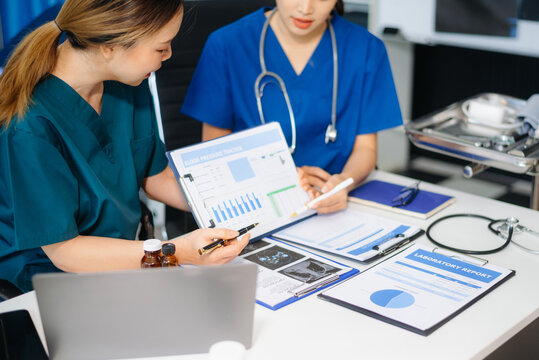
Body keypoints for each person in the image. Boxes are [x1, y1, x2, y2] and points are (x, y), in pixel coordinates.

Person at [0, 0, 249, 293]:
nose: (169, 55)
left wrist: (249, 198)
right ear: (110, 46)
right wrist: (175, 251)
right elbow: (66, 252)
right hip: (46, 284)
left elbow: (156, 177)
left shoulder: (125, 79)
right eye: (161, 48)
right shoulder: (29, 125)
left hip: (125, 263)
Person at [182, 0, 402, 214]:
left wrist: (343, 182)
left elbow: (366, 149)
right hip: (258, 203)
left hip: (336, 201)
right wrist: (280, 179)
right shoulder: (226, 44)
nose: (305, 8)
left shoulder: (366, 48)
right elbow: (213, 153)